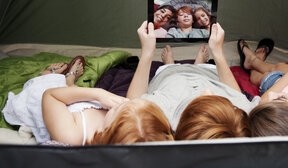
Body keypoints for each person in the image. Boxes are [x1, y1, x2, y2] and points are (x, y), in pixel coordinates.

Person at [126, 21, 260, 139]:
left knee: (167, 69)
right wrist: (217, 52)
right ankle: (200, 64)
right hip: (207, 75)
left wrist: (147, 52)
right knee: (208, 69)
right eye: (213, 99)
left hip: (170, 76)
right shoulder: (239, 119)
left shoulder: (165, 112)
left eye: (203, 102)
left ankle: (168, 63)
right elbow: (234, 94)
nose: (207, 91)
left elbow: (131, 104)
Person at [2, 57, 173, 145]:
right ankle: (70, 82)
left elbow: (51, 96)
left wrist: (98, 94)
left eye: (119, 108)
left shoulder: (72, 136)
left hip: (49, 102)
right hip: (77, 103)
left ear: (110, 131)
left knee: (43, 85)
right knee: (73, 91)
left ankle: (48, 74)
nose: (124, 102)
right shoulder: (130, 128)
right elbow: (134, 109)